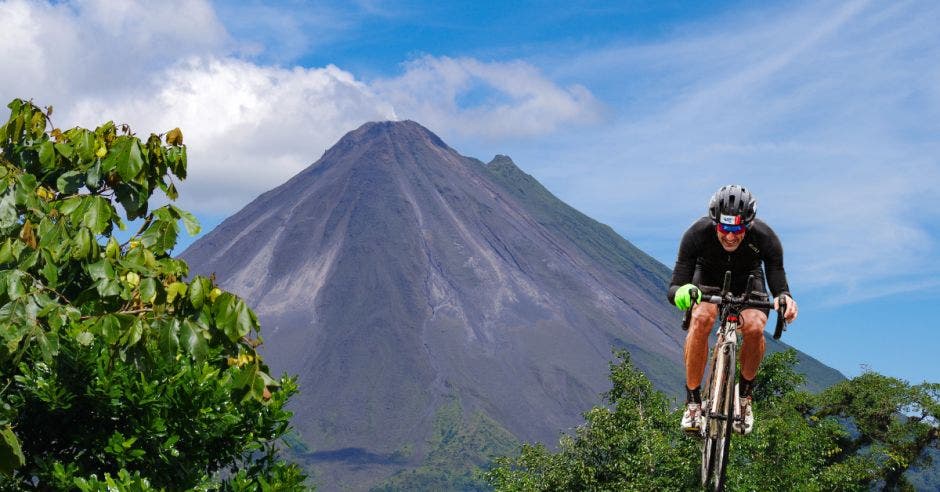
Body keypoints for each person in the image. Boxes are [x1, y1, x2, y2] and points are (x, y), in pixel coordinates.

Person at [667, 184, 798, 435]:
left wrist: (785, 300)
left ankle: (745, 399)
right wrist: (682, 293)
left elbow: (779, 283)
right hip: (706, 278)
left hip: (749, 279)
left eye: (737, 229)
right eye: (724, 228)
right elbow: (675, 286)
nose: (730, 236)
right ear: (715, 222)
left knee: (754, 326)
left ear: (748, 225)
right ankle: (693, 402)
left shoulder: (765, 238)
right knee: (702, 318)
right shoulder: (696, 234)